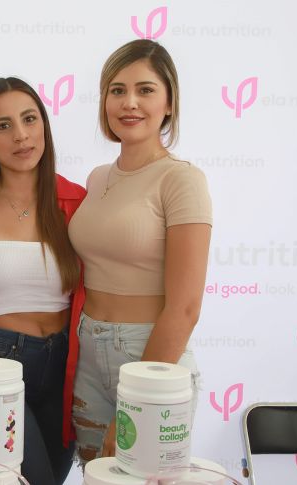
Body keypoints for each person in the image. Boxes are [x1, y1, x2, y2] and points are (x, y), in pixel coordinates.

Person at [67, 39, 213, 462]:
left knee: (143, 472)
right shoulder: (96, 178)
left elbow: (185, 308)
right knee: (98, 474)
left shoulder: (181, 180)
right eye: (117, 90)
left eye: (145, 90)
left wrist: (140, 397)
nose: (129, 102)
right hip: (88, 350)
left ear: (169, 102)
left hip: (150, 352)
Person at [0, 77, 86, 484]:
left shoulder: (75, 201)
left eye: (30, 119)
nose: (21, 135)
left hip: (64, 365)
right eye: (3, 125)